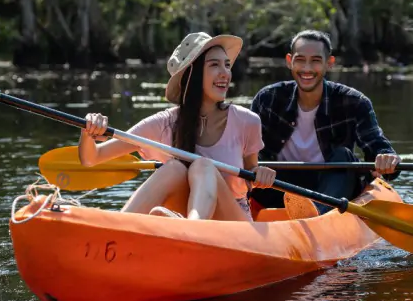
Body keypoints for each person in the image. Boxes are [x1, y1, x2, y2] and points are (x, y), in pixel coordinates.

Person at [78, 32, 277, 221]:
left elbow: (251, 172)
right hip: (183, 221)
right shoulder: (163, 123)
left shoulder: (247, 121)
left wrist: (260, 173)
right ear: (192, 74)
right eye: (214, 65)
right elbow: (91, 158)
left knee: (203, 165)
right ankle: (120, 225)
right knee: (174, 169)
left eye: (226, 65)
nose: (225, 73)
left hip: (233, 224)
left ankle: (191, 228)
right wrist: (89, 132)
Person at [250, 29, 401, 219]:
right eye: (300, 60)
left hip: (332, 185)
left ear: (329, 64)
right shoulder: (268, 99)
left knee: (343, 156)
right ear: (289, 61)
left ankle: (316, 217)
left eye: (315, 60)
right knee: (259, 165)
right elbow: (246, 150)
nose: (307, 68)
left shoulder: (354, 102)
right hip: (278, 186)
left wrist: (387, 160)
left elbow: (377, 147)